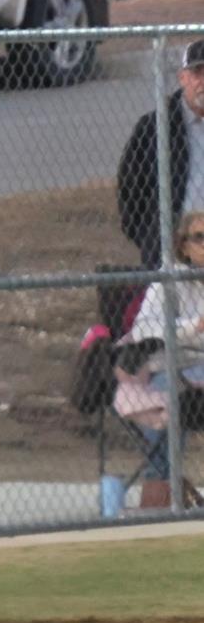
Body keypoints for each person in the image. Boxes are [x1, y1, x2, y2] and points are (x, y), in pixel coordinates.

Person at [112, 208, 204, 509]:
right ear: (184, 246)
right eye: (200, 238)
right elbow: (145, 328)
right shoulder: (170, 279)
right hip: (172, 365)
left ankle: (163, 492)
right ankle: (160, 497)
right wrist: (194, 326)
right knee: (168, 400)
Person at [117, 38, 204, 270]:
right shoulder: (154, 128)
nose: (203, 81)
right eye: (198, 72)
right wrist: (154, 242)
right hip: (174, 254)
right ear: (183, 77)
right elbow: (130, 196)